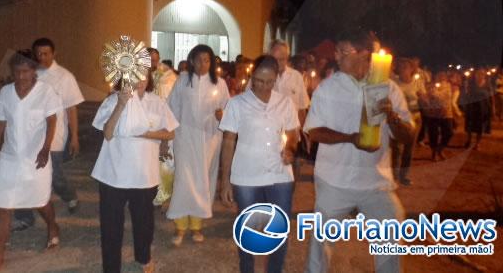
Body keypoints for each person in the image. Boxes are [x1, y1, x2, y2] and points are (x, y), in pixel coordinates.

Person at [303, 30, 414, 273]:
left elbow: (408, 135)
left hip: (376, 182)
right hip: (335, 181)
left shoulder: (389, 88)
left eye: (342, 51)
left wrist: (392, 116)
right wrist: (350, 138)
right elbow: (314, 132)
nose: (336, 56)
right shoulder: (328, 88)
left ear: (364, 54)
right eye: (337, 51)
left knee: (391, 233)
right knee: (320, 244)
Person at [0, 50, 63, 272]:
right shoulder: (6, 93)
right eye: (17, 71)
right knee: (3, 207)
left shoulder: (46, 92)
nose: (21, 76)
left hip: (37, 157)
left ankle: (53, 227)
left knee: (40, 201)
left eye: (25, 71)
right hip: (9, 158)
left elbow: (52, 121)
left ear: (34, 71)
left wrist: (46, 149)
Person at [91, 72, 178, 273]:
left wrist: (147, 134)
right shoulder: (112, 100)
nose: (140, 81)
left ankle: (144, 256)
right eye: (134, 76)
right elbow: (107, 133)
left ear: (149, 79)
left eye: (144, 76)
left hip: (144, 174)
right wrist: (121, 105)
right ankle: (111, 267)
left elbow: (170, 132)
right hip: (113, 174)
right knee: (111, 225)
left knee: (144, 222)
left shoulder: (155, 102)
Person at [219, 55, 299, 273]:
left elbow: (292, 134)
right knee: (248, 230)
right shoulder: (237, 103)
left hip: (279, 174)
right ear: (252, 77)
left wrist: (290, 149)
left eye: (269, 81)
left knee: (279, 229)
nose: (264, 86)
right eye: (259, 81)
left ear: (276, 79)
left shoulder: (285, 103)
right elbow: (228, 142)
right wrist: (225, 181)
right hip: (247, 176)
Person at [13, 38, 84, 231]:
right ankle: (24, 216)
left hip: (54, 137)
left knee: (55, 176)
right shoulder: (29, 74)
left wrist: (74, 136)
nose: (41, 57)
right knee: (25, 175)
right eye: (38, 53)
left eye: (46, 53)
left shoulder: (64, 76)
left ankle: (69, 195)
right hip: (28, 137)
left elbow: (71, 108)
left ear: (54, 54)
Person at [166, 45, 230, 245]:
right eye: (199, 59)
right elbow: (172, 108)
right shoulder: (182, 81)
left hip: (209, 139)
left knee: (203, 181)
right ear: (191, 60)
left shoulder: (219, 84)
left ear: (211, 63)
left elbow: (229, 110)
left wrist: (223, 116)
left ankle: (196, 226)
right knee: (184, 181)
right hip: (184, 137)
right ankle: (180, 227)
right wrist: (169, 135)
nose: (203, 64)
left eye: (207, 60)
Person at [147, 47, 178, 207]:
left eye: (155, 60)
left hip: (163, 125)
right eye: (149, 60)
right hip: (145, 127)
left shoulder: (168, 77)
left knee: (164, 162)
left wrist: (166, 134)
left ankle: (162, 196)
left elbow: (170, 106)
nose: (153, 63)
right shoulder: (139, 76)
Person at [392, 58, 425, 186]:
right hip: (398, 120)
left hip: (415, 119)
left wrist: (424, 98)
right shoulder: (394, 83)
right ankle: (394, 176)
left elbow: (424, 99)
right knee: (397, 148)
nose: (403, 69)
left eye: (406, 66)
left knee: (409, 149)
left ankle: (403, 176)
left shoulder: (417, 83)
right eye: (400, 66)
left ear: (412, 69)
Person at [421, 72, 454, 161]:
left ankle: (440, 149)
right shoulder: (430, 87)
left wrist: (435, 95)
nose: (441, 78)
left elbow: (446, 98)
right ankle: (434, 152)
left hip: (446, 114)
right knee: (433, 134)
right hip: (433, 114)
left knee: (449, 132)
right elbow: (428, 97)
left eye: (443, 76)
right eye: (439, 76)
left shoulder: (448, 86)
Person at [462, 69, 492, 150]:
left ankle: (477, 143)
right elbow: (467, 95)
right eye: (477, 74)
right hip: (472, 107)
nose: (479, 76)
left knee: (480, 126)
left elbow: (490, 96)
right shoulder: (471, 84)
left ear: (484, 75)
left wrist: (492, 108)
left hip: (483, 107)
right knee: (470, 124)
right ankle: (469, 140)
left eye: (481, 74)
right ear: (475, 76)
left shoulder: (487, 84)